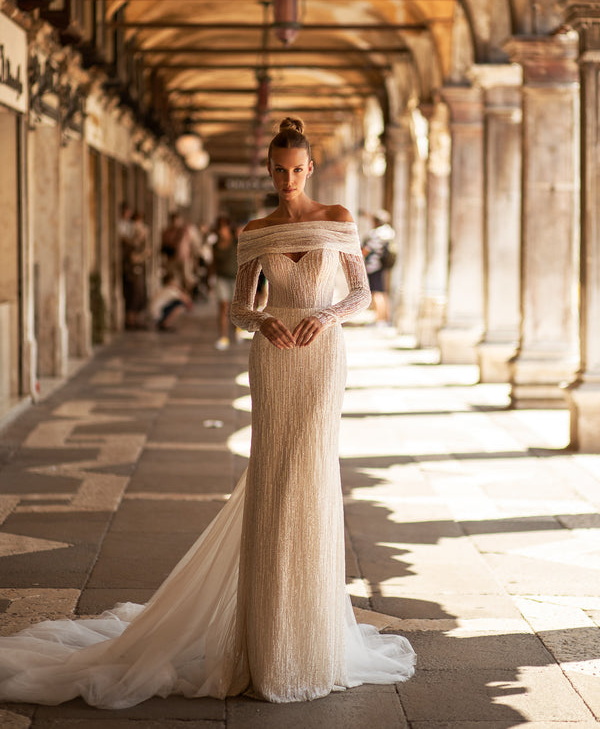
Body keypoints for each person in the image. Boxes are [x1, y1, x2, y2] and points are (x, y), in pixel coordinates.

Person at [0, 117, 415, 709]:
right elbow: (240, 309)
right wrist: (265, 319)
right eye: (278, 170)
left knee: (313, 475)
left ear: (311, 169)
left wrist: (324, 317)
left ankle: (311, 637)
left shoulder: (340, 219)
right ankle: (266, 639)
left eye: (297, 170)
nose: (288, 179)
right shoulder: (255, 229)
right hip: (273, 358)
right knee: (274, 479)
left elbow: (358, 294)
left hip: (322, 358)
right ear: (268, 170)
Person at [362, 209, 396, 325]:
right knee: (382, 292)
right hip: (381, 266)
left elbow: (366, 250)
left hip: (373, 266)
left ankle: (380, 320)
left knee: (376, 293)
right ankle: (385, 318)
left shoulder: (376, 234)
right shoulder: (388, 232)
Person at [210, 215, 239, 350]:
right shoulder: (215, 246)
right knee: (223, 307)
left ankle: (237, 330)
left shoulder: (236, 242)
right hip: (221, 278)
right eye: (219, 227)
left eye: (224, 227)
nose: (221, 230)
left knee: (235, 308)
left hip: (235, 278)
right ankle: (223, 336)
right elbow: (213, 264)